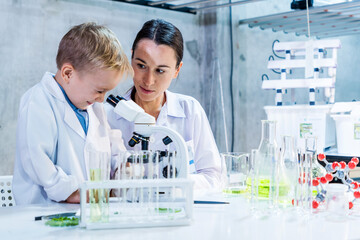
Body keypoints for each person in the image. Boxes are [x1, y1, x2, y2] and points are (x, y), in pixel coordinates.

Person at [12, 22, 133, 205]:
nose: (102, 99)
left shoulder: (93, 107)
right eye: (99, 90)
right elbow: (36, 160)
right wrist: (72, 192)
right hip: (42, 214)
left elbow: (112, 149)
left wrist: (123, 165)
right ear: (68, 73)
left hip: (85, 213)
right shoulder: (38, 101)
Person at [106, 19, 222, 189]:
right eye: (141, 65)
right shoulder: (108, 114)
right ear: (131, 58)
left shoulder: (190, 110)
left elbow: (214, 178)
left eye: (160, 70)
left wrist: (174, 185)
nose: (148, 80)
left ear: (177, 70)